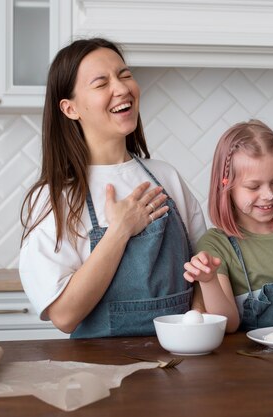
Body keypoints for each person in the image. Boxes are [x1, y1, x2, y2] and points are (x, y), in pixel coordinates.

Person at [19, 38, 206, 338]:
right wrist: (120, 230)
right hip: (101, 373)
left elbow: (204, 266)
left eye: (124, 75)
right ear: (70, 108)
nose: (121, 88)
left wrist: (198, 317)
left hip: (179, 362)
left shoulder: (167, 177)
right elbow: (64, 316)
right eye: (101, 82)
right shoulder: (56, 198)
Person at [183, 120, 273, 333]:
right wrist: (209, 281)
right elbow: (229, 324)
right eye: (254, 186)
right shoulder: (216, 244)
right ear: (226, 188)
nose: (268, 195)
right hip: (249, 362)